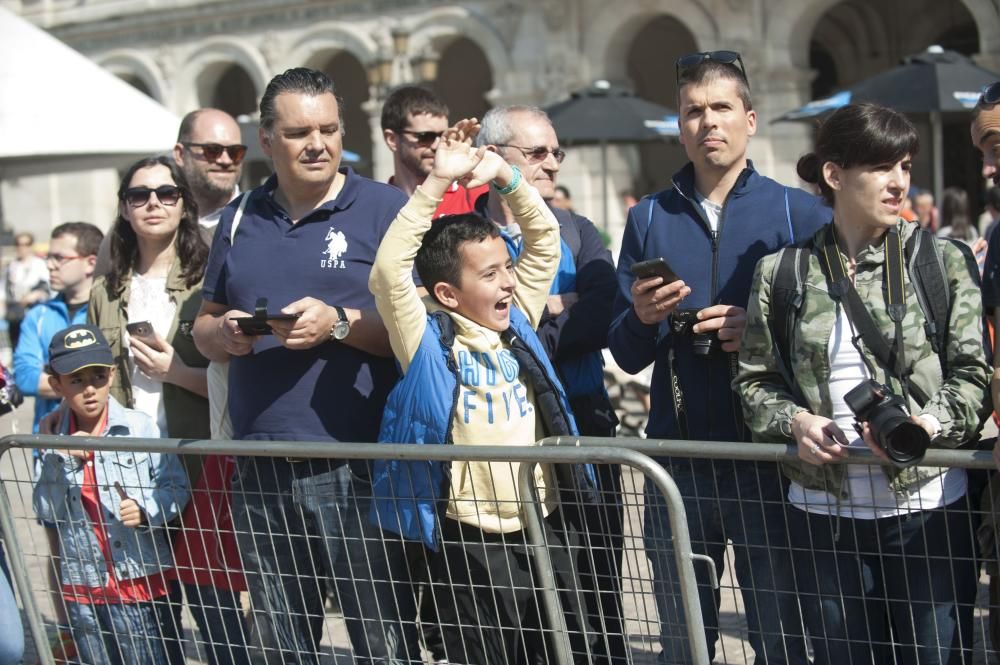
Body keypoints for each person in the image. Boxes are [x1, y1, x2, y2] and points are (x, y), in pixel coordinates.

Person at [736, 103, 989, 664]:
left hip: (929, 511)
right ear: (835, 174)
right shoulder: (782, 272)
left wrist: (926, 424)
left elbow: (975, 376)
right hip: (824, 517)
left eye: (904, 165)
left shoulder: (941, 262)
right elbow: (756, 383)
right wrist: (796, 422)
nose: (899, 181)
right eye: (880, 167)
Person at [608, 51, 829, 664]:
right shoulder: (648, 216)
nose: (708, 123)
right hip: (677, 457)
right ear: (679, 126)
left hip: (769, 459)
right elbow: (625, 354)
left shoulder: (800, 213)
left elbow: (831, 342)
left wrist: (759, 333)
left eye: (721, 108)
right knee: (684, 636)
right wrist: (644, 317)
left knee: (779, 634)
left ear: (750, 119)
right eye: (693, 112)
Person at [193, 67, 418, 664]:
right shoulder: (239, 218)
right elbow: (203, 324)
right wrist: (224, 334)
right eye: (299, 132)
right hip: (260, 464)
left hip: (359, 464)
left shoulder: (385, 207)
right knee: (278, 642)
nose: (317, 143)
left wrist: (339, 323)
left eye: (328, 129)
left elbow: (421, 330)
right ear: (267, 140)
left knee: (381, 640)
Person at [369, 120, 596, 664]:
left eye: (507, 269)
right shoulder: (426, 339)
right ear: (448, 292)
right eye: (489, 275)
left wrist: (505, 177)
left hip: (541, 526)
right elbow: (388, 271)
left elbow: (545, 240)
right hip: (467, 538)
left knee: (558, 650)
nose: (509, 283)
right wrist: (435, 186)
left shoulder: (519, 320)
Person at [475, 104, 624, 664]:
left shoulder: (579, 231)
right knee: (523, 581)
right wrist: (556, 306)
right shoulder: (459, 236)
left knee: (599, 571)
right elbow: (456, 323)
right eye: (536, 153)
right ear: (494, 158)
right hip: (501, 426)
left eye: (555, 152)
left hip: (582, 414)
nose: (551, 165)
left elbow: (604, 310)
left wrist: (517, 322)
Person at [89, 155, 249, 665]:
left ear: (185, 203)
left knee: (219, 621)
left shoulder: (213, 284)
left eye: (166, 193)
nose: (153, 203)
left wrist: (176, 372)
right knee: (153, 628)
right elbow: (95, 383)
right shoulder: (104, 292)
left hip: (200, 465)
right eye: (139, 195)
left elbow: (237, 386)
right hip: (132, 473)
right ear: (124, 208)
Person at [32, 324, 189, 665]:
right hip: (82, 589)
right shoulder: (48, 442)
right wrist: (61, 464)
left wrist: (147, 510)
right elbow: (45, 511)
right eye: (76, 380)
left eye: (98, 377)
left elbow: (176, 486)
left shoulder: (140, 427)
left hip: (138, 581)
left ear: (112, 374)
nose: (90, 389)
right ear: (57, 384)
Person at [14, 222, 103, 432]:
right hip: (48, 440)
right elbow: (25, 378)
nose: (50, 265)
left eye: (60, 258)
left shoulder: (108, 312)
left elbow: (115, 382)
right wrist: (91, 379)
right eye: (49, 257)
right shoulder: (38, 315)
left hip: (101, 443)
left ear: (91, 262)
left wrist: (55, 375)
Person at [381, 84, 488, 214]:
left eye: (444, 136)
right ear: (392, 140)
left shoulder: (475, 195)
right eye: (425, 136)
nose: (437, 146)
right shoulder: (377, 206)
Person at [5, 232, 50, 350]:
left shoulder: (39, 264)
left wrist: (35, 294)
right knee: (16, 345)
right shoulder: (12, 266)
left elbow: (47, 287)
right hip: (16, 313)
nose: (22, 248)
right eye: (19, 244)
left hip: (34, 310)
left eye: (26, 244)